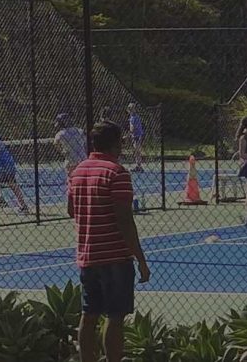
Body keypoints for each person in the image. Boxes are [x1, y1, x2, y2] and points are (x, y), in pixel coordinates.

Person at [69, 121, 148, 362]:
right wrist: (141, 259)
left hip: (87, 255)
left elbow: (72, 210)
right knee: (115, 317)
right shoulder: (117, 172)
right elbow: (124, 219)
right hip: (115, 257)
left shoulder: (77, 171)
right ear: (117, 143)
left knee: (89, 314)